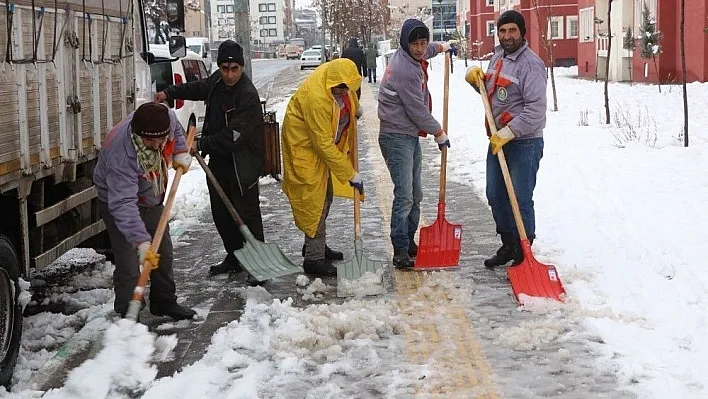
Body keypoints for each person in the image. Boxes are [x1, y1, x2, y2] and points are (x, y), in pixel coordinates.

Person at [154, 40, 265, 276]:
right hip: (219, 161)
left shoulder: (247, 95)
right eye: (225, 68)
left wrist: (201, 143)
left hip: (242, 163)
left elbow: (234, 135)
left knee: (247, 213)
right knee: (221, 214)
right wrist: (169, 93)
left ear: (242, 68)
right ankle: (235, 256)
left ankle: (258, 262)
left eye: (234, 69)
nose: (229, 74)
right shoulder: (217, 81)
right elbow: (198, 87)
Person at [93, 102, 196, 320]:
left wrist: (179, 151)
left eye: (161, 139)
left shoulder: (164, 117)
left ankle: (164, 302)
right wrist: (140, 240)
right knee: (129, 262)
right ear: (137, 134)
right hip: (118, 202)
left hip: (151, 193)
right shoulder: (121, 154)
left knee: (163, 252)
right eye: (150, 141)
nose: (157, 144)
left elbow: (177, 130)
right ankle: (128, 314)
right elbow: (123, 204)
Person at [465, 10, 547, 268]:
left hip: (524, 142)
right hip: (498, 139)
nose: (507, 36)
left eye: (512, 30)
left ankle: (524, 250)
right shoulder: (498, 57)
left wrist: (509, 132)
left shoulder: (531, 64)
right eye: (502, 31)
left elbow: (536, 109)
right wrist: (477, 81)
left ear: (522, 32)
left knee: (520, 196)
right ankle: (509, 243)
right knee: (496, 194)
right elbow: (496, 93)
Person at [377, 19, 455, 269]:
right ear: (405, 43)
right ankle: (400, 247)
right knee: (405, 195)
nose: (421, 49)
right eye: (416, 44)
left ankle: (409, 240)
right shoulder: (404, 70)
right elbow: (417, 111)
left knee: (415, 193)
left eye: (423, 43)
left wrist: (442, 47)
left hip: (407, 135)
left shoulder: (413, 55)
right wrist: (439, 132)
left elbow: (428, 50)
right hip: (395, 136)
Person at [281, 58, 363, 277]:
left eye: (348, 88)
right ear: (334, 83)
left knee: (326, 196)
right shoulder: (317, 99)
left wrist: (356, 107)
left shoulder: (338, 78)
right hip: (303, 147)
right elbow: (322, 144)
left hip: (319, 145)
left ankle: (315, 245)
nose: (345, 91)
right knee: (314, 201)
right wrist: (349, 174)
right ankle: (314, 259)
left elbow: (350, 92)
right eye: (342, 88)